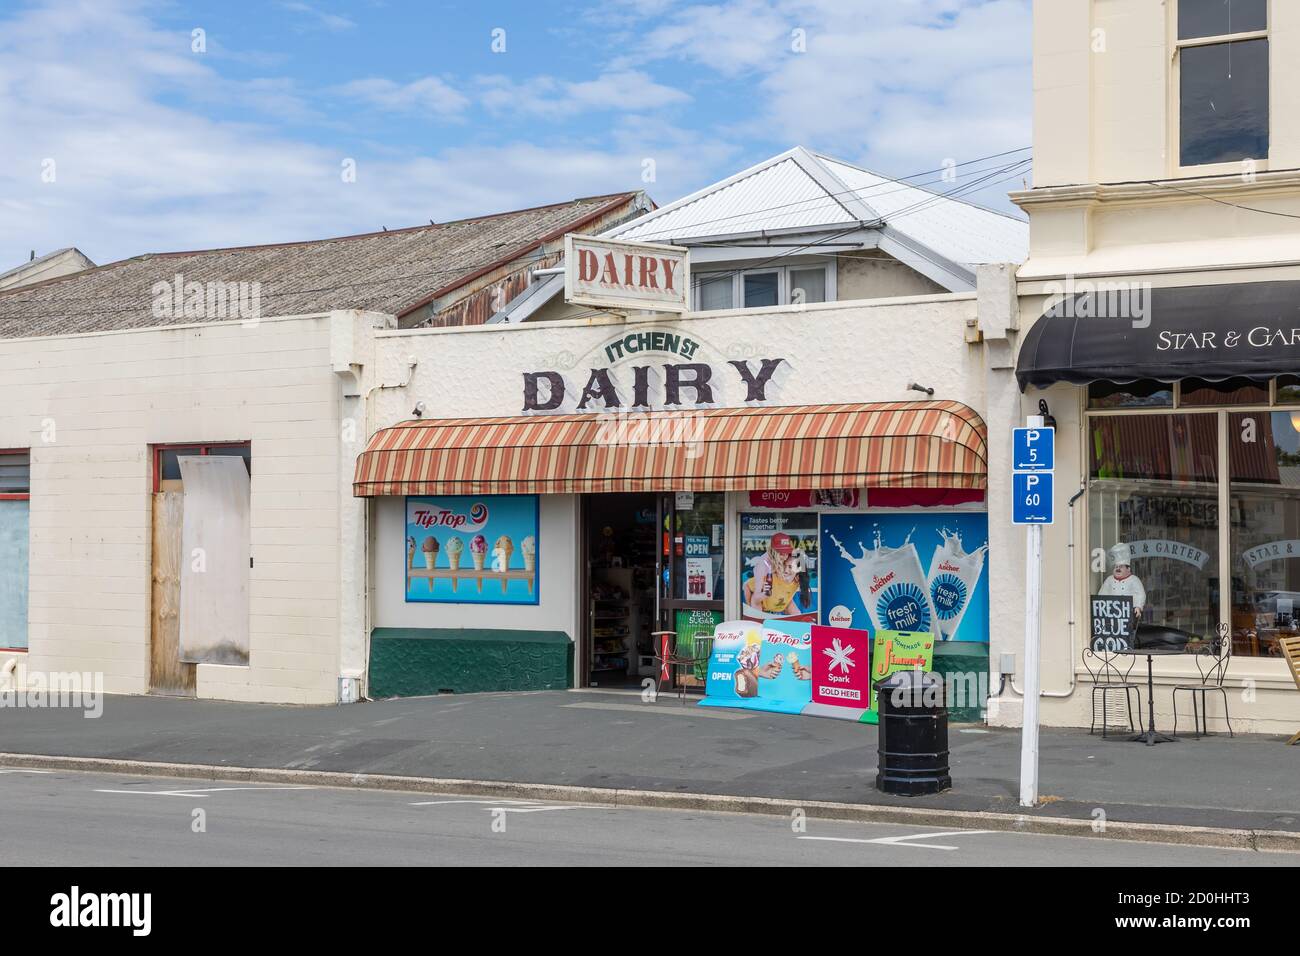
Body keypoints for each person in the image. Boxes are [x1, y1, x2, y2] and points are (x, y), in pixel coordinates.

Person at [1098, 542, 1146, 619]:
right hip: (1111, 613)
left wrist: (1138, 607)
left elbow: (1140, 594)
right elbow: (1102, 595)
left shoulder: (1134, 580)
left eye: (1121, 567)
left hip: (1128, 613)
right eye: (1116, 567)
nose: (1118, 569)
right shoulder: (1109, 580)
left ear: (1128, 569)